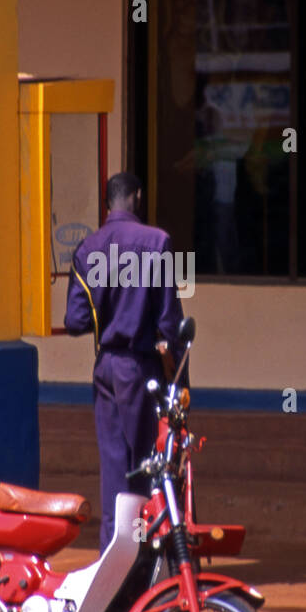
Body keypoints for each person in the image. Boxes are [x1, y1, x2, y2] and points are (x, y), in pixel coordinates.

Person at [64, 172, 184, 551]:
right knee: (149, 465)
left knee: (114, 469)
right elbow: (169, 322)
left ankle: (112, 560)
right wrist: (181, 381)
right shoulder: (157, 242)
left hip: (105, 369)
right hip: (141, 368)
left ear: (107, 204)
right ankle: (147, 556)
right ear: (137, 196)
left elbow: (75, 321)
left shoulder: (87, 249)